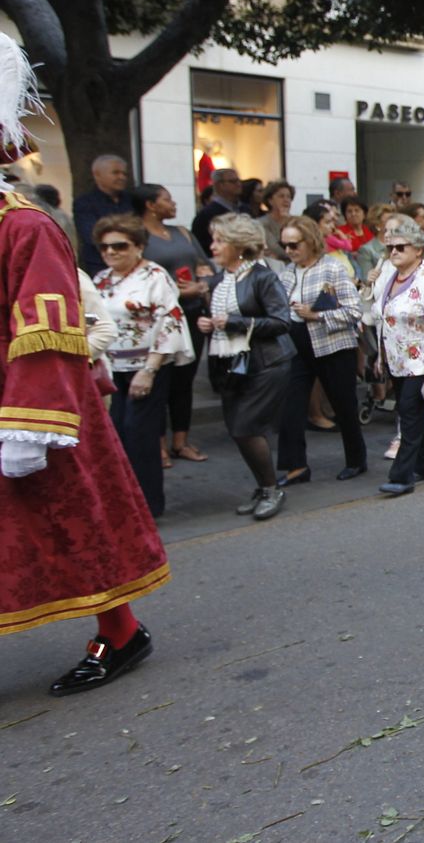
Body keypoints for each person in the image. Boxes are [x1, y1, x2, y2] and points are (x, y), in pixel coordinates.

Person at [0, 46, 170, 696]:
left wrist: (27, 423)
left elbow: (48, 327)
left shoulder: (25, 227)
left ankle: (122, 630)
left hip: (37, 409)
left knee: (75, 520)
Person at [91, 214, 195, 518]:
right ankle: (124, 501)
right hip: (110, 369)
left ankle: (148, 506)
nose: (110, 252)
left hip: (146, 367)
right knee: (118, 435)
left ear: (138, 246)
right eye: (104, 247)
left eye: (119, 246)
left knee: (140, 436)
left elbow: (170, 322)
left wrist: (149, 370)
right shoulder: (100, 280)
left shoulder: (154, 276)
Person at [200, 214, 296, 520]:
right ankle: (263, 486)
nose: (212, 246)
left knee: (246, 427)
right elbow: (220, 318)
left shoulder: (262, 277)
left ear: (239, 245)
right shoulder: (220, 279)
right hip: (230, 363)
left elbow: (282, 321)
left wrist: (234, 323)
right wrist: (208, 324)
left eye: (219, 240)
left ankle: (271, 489)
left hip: (267, 362)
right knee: (237, 429)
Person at [274, 215, 368, 487]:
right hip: (297, 346)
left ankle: (356, 459)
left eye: (294, 244)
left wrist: (316, 315)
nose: (289, 251)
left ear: (311, 241)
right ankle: (296, 466)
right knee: (291, 407)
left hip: (333, 346)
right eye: (285, 245)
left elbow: (354, 311)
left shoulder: (332, 269)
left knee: (344, 405)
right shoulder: (287, 272)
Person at [131, 183, 213, 466]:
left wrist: (202, 284)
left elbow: (206, 266)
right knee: (159, 382)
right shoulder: (137, 236)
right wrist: (179, 292)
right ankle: (159, 445)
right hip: (157, 317)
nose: (173, 203)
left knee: (184, 380)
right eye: (167, 199)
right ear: (151, 205)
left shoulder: (183, 233)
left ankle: (181, 441)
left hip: (190, 313)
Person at [373, 217, 424, 495]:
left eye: (400, 247)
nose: (393, 252)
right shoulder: (390, 276)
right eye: (390, 248)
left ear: (418, 250)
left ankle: (402, 475)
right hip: (397, 360)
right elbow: (381, 316)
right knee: (415, 412)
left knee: (408, 413)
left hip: (422, 361)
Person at [72, 153, 131, 274]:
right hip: (100, 266)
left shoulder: (131, 200)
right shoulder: (85, 203)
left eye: (124, 173)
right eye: (116, 173)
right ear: (97, 175)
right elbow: (92, 235)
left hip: (132, 264)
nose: (122, 177)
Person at [191, 167, 245, 259]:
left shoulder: (245, 209)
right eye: (233, 181)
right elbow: (201, 247)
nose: (238, 184)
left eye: (239, 180)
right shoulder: (206, 215)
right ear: (219, 185)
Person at [258, 180, 297, 261]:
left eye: (289, 196)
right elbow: (276, 250)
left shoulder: (297, 222)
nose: (286, 200)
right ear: (270, 200)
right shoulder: (260, 224)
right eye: (281, 196)